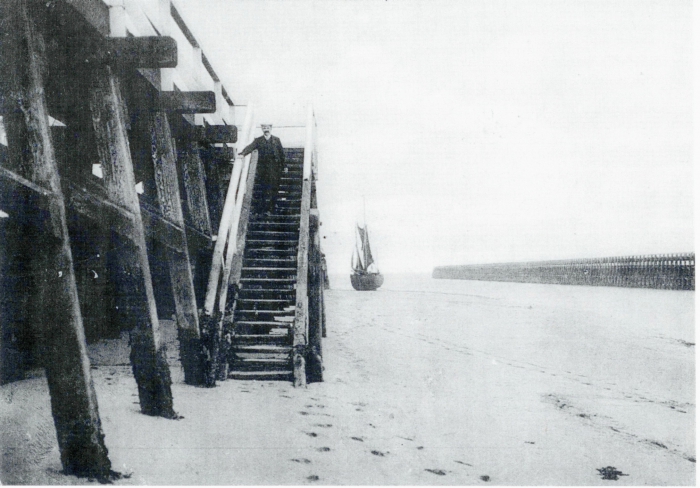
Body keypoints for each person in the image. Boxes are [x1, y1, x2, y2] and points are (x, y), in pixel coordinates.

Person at [238, 124, 285, 215]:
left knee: (274, 188)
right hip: (263, 169)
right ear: (262, 129)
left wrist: (284, 166)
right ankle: (262, 209)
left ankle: (271, 209)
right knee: (263, 189)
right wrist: (243, 153)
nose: (266, 129)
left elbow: (281, 153)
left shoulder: (276, 140)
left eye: (267, 128)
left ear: (271, 128)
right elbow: (250, 147)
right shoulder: (258, 140)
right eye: (264, 128)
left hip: (275, 169)